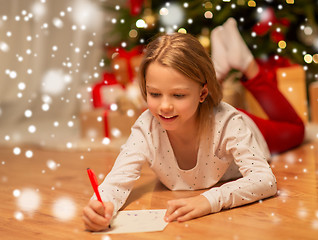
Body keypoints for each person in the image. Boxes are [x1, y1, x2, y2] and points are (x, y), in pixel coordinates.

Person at [82, 18, 304, 231]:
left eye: (178, 95)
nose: (164, 107)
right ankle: (216, 70)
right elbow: (116, 181)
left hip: (245, 125)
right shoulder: (147, 127)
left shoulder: (230, 123)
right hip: (199, 111)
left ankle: (246, 64)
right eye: (155, 93)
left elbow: (265, 180)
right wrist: (100, 206)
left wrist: (209, 200)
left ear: (203, 93)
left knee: (296, 130)